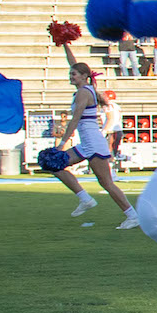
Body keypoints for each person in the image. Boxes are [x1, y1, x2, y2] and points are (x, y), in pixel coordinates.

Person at [50, 50, 138, 227]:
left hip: (93, 143)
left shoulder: (83, 92)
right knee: (54, 165)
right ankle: (85, 199)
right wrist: (64, 44)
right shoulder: (85, 87)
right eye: (70, 74)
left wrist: (61, 144)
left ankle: (132, 216)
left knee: (106, 183)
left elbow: (75, 120)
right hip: (87, 143)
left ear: (83, 76)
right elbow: (74, 63)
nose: (71, 76)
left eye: (73, 74)